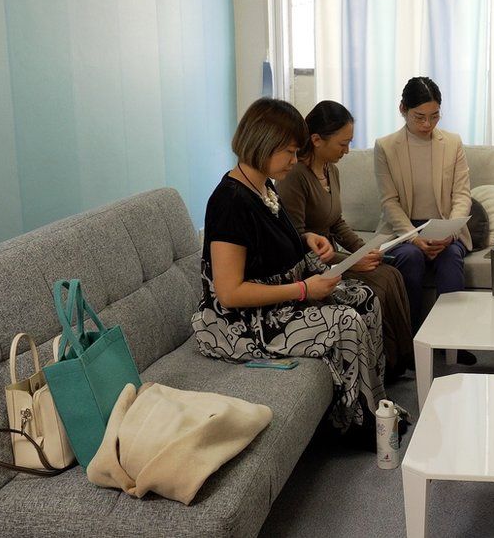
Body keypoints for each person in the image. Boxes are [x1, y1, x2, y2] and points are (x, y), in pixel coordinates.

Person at [191, 97, 387, 432]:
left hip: (279, 304)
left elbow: (271, 246)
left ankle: (373, 405)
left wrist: (308, 238)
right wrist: (303, 290)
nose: (295, 161)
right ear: (263, 144)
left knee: (365, 298)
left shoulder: (263, 186)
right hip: (243, 324)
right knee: (345, 320)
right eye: (290, 152)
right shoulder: (229, 202)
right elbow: (229, 292)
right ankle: (357, 423)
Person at [277, 100, 415, 380]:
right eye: (342, 144)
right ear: (316, 140)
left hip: (335, 256)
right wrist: (353, 260)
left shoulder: (331, 170)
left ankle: (400, 359)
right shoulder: (295, 177)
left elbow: (336, 223)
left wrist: (365, 248)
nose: (347, 150)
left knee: (391, 274)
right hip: (313, 263)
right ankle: (385, 365)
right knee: (380, 281)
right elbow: (297, 238)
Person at [373, 77, 475, 364]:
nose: (427, 124)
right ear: (403, 109)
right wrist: (414, 238)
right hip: (403, 229)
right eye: (419, 117)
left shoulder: (452, 143)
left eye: (434, 116)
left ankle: (452, 340)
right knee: (410, 258)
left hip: (443, 225)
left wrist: (449, 232)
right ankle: (411, 342)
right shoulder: (385, 147)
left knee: (451, 258)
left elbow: (462, 195)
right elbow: (389, 201)